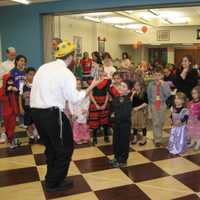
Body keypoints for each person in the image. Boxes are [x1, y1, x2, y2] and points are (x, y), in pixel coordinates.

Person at [30, 40, 101, 193]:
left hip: (36, 112)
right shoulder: (66, 73)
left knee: (51, 147)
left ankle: (51, 178)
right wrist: (91, 87)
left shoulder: (44, 67)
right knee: (65, 148)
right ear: (71, 57)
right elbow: (75, 98)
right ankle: (54, 183)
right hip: (52, 113)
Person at [109, 81, 132, 167]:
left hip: (124, 125)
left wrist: (115, 115)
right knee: (116, 142)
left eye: (123, 86)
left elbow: (124, 114)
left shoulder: (128, 100)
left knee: (123, 143)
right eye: (120, 86)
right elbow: (112, 111)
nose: (121, 87)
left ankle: (122, 160)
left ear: (128, 91)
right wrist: (113, 116)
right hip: (116, 125)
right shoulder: (116, 98)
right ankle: (116, 157)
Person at [147, 66, 171, 147]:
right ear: (153, 75)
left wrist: (163, 85)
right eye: (155, 75)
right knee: (155, 122)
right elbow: (149, 96)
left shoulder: (165, 84)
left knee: (161, 121)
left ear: (162, 76)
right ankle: (157, 139)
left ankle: (159, 136)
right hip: (153, 105)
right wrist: (149, 107)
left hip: (162, 104)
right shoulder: (150, 84)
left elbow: (167, 94)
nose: (157, 77)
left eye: (159, 75)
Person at [88, 66, 111, 145]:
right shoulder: (92, 81)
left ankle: (106, 136)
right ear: (96, 72)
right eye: (98, 71)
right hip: (95, 103)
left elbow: (108, 93)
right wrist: (96, 104)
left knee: (105, 121)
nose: (100, 73)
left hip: (104, 102)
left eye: (101, 71)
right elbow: (90, 94)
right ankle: (94, 138)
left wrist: (105, 104)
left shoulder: (107, 81)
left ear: (104, 72)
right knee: (94, 122)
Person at [19, 67, 39, 144]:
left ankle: (38, 136)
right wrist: (21, 107)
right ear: (26, 75)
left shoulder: (37, 84)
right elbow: (19, 96)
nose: (32, 76)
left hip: (36, 108)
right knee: (28, 123)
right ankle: (31, 137)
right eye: (30, 74)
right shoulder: (22, 84)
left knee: (37, 122)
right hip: (27, 108)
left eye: (34, 75)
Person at [68, 79, 90, 145]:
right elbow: (70, 104)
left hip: (83, 112)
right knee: (76, 127)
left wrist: (85, 109)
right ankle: (77, 138)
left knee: (84, 127)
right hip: (76, 111)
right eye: (77, 84)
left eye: (79, 84)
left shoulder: (84, 92)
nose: (78, 85)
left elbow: (87, 101)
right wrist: (72, 113)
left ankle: (84, 137)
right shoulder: (72, 94)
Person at [0, 74, 19, 148]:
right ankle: (7, 136)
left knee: (12, 126)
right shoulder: (2, 89)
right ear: (5, 81)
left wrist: (17, 91)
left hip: (13, 112)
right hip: (5, 112)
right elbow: (1, 97)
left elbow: (17, 99)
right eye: (9, 81)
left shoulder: (13, 89)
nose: (11, 82)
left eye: (12, 81)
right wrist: (6, 91)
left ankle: (11, 139)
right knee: (7, 126)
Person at [10, 55, 27, 128]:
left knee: (24, 107)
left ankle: (23, 122)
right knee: (17, 108)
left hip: (25, 93)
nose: (23, 62)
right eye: (21, 61)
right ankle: (18, 122)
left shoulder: (26, 71)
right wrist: (14, 88)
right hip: (15, 93)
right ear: (17, 61)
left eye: (24, 61)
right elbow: (9, 84)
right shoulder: (12, 72)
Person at [131, 80, 148, 145]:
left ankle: (144, 139)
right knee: (134, 124)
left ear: (141, 86)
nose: (136, 87)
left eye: (138, 85)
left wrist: (138, 108)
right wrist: (132, 94)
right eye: (135, 85)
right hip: (134, 111)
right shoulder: (133, 93)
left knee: (143, 125)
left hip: (141, 111)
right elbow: (130, 102)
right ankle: (135, 138)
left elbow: (146, 103)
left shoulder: (143, 93)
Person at [187, 86, 200, 150]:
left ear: (199, 94)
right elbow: (188, 109)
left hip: (198, 120)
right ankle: (192, 142)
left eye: (195, 93)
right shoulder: (191, 102)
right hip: (191, 119)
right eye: (192, 93)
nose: (193, 95)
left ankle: (198, 143)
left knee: (197, 132)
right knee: (192, 131)